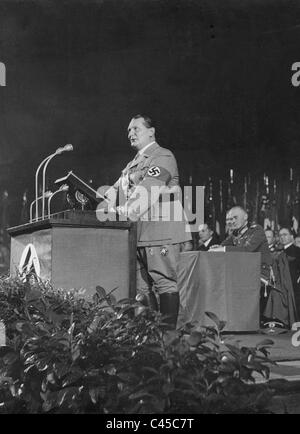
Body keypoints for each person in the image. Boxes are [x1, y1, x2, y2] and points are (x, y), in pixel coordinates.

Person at [99, 114, 191, 329]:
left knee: (164, 282)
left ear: (151, 131)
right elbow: (110, 194)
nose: (131, 133)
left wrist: (116, 211)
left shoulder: (162, 156)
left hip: (160, 231)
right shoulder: (131, 165)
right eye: (128, 131)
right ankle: (149, 338)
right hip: (138, 234)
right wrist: (91, 201)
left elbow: (146, 192)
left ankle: (167, 338)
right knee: (142, 288)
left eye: (136, 129)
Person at [279, 227, 300, 310]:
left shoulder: (298, 250)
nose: (282, 237)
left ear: (292, 237)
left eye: (285, 234)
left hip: (295, 287)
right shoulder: (279, 252)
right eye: (280, 235)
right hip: (282, 288)